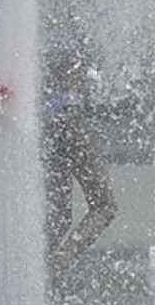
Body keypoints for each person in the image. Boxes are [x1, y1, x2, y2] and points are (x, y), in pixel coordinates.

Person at [41, 31, 119, 288]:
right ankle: (51, 271)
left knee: (60, 214)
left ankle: (37, 276)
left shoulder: (39, 27)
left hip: (47, 124)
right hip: (71, 121)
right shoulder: (73, 30)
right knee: (104, 206)